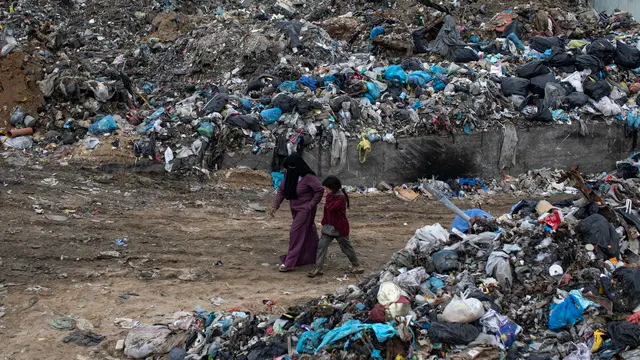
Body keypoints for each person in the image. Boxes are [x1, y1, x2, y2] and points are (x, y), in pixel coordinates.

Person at [269, 154, 324, 272]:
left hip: (305, 209)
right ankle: (310, 256)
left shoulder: (308, 177)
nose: (290, 169)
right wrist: (275, 206)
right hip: (294, 207)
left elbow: (319, 190)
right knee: (308, 230)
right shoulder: (289, 175)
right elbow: (282, 191)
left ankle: (289, 262)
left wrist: (311, 204)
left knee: (296, 232)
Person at [308, 176, 363, 278]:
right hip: (329, 226)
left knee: (346, 248)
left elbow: (331, 208)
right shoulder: (332, 195)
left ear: (332, 188)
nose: (325, 191)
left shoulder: (341, 198)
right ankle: (318, 268)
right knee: (321, 247)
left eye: (326, 189)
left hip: (340, 228)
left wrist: (327, 197)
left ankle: (357, 266)